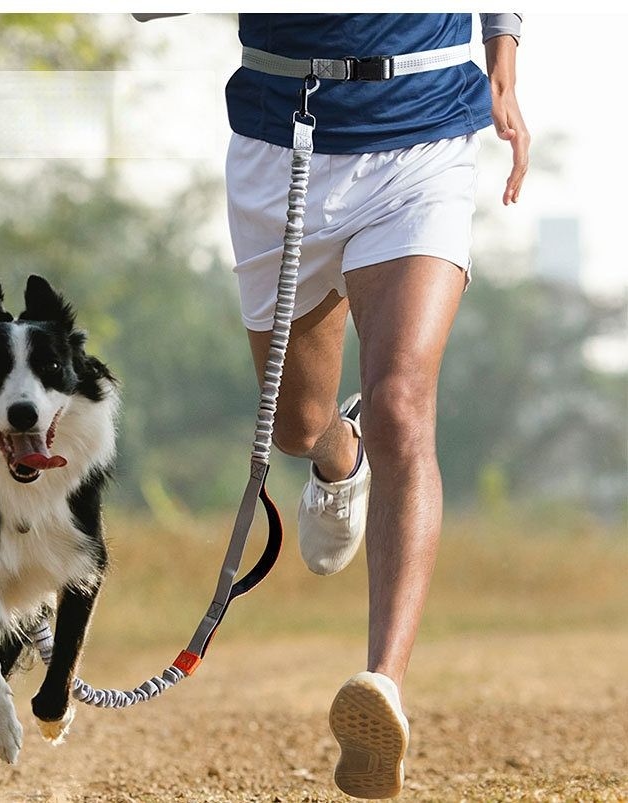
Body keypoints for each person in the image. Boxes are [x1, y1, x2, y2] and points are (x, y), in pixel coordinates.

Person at [137, 13, 528, 799]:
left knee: (401, 404)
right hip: (279, 139)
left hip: (423, 134)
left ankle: (382, 683)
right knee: (297, 425)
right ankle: (340, 454)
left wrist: (504, 58)